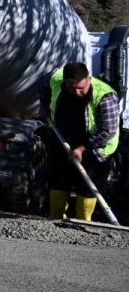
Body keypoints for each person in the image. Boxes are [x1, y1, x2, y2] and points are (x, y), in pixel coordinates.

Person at [39, 61, 120, 221]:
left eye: (81, 88)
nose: (76, 92)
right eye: (71, 88)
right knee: (58, 180)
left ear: (89, 79)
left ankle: (83, 223)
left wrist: (82, 148)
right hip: (64, 139)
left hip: (96, 147)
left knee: (87, 188)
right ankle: (55, 219)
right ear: (65, 81)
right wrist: (44, 104)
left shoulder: (105, 96)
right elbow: (44, 84)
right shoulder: (56, 79)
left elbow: (108, 131)